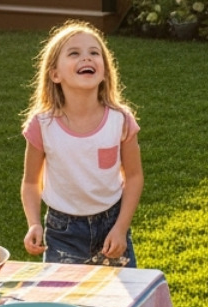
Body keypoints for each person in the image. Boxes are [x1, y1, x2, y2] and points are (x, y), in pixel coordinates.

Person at [20, 20, 143, 266]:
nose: (86, 58)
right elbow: (31, 181)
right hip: (62, 232)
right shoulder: (42, 125)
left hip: (112, 226)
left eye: (94, 53)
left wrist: (121, 228)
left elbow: (134, 176)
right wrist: (34, 223)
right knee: (64, 302)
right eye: (74, 53)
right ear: (55, 74)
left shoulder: (121, 120)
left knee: (116, 302)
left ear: (105, 71)